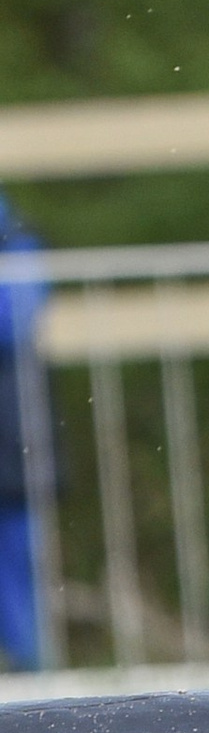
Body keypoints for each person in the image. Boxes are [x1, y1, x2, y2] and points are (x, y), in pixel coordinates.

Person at [0, 193, 48, 672]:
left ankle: (29, 664)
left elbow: (12, 322)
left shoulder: (16, 241)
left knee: (17, 558)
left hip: (11, 440)